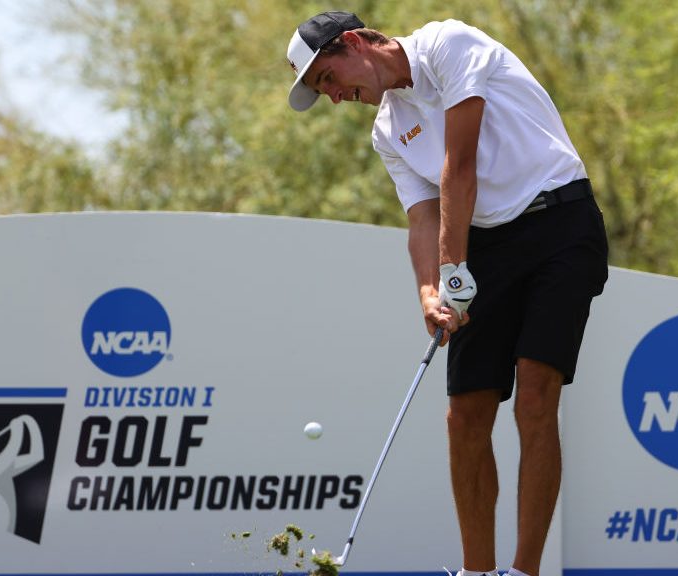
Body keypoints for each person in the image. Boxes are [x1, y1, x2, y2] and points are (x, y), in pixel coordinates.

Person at [286, 11, 608, 576]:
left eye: (329, 79)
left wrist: (454, 268)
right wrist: (431, 292)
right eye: (323, 92)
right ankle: (478, 573)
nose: (336, 97)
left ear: (356, 42)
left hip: (559, 221)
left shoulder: (447, 44)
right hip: (485, 245)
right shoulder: (387, 130)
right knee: (465, 413)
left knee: (535, 392)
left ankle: (525, 572)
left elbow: (459, 169)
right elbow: (420, 219)